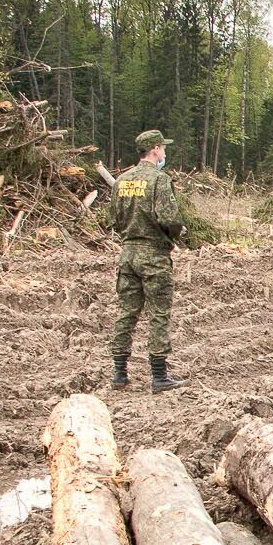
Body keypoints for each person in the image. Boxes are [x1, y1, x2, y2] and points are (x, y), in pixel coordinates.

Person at [107, 128, 189, 391]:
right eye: (162, 148)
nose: (164, 152)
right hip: (153, 255)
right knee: (159, 313)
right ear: (155, 149)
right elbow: (169, 218)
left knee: (126, 313)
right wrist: (177, 234)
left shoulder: (121, 181)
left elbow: (113, 220)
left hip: (127, 254)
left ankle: (119, 373)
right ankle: (159, 375)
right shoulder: (159, 180)